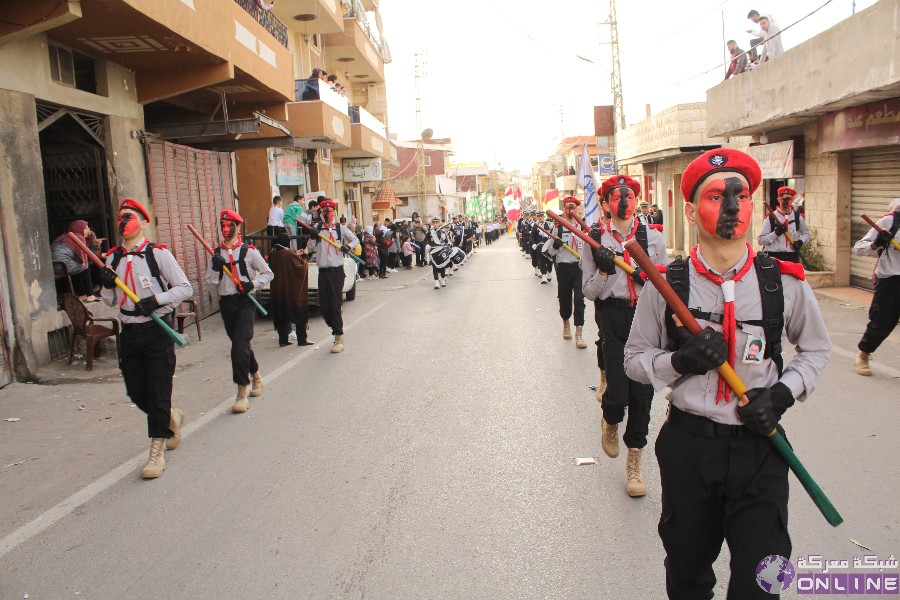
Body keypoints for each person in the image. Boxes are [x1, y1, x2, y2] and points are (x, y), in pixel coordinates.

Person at [624, 148, 831, 598]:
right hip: (690, 448)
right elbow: (634, 360)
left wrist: (781, 395)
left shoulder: (785, 282)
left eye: (742, 196)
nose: (733, 207)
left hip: (762, 447)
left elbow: (815, 350)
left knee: (763, 582)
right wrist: (678, 362)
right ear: (692, 210)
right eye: (718, 196)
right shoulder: (666, 286)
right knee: (688, 575)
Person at [583, 175, 668, 497]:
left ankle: (635, 465)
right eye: (617, 197)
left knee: (643, 397)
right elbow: (590, 292)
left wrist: (652, 276)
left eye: (630, 196)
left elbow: (666, 286)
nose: (624, 202)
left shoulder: (653, 237)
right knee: (618, 390)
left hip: (645, 319)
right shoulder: (593, 239)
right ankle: (610, 419)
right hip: (613, 317)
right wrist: (604, 269)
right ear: (605, 204)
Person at [97, 198, 193, 479]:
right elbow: (111, 300)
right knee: (137, 392)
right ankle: (170, 416)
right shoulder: (111, 258)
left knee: (158, 390)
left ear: (143, 222)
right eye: (120, 217)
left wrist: (156, 301)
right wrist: (104, 284)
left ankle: (156, 453)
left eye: (128, 216)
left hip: (157, 330)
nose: (122, 221)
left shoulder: (158, 255)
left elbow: (185, 288)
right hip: (129, 332)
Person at [207, 209, 274, 413]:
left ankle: (241, 392)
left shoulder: (249, 252)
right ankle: (256, 375)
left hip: (246, 302)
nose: (226, 229)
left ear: (238, 228)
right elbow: (210, 283)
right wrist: (216, 269)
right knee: (241, 345)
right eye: (223, 226)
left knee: (239, 346)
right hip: (227, 304)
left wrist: (251, 284)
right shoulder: (216, 254)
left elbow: (268, 274)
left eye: (230, 226)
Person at [852, 198, 900, 376]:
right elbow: (858, 248)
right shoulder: (889, 222)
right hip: (891, 279)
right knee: (882, 322)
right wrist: (877, 243)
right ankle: (863, 353)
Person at [306, 199, 359, 353]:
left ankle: (338, 336)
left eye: (329, 211)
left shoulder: (339, 228)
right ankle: (334, 326)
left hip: (336, 272)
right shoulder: (317, 228)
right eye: (324, 211)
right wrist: (312, 236)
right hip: (323, 272)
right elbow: (309, 248)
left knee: (335, 305)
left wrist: (347, 246)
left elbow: (355, 239)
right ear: (321, 213)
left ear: (334, 212)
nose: (327, 214)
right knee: (323, 305)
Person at [548, 197, 588, 349]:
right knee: (565, 299)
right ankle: (566, 323)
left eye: (573, 208)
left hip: (580, 267)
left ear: (577, 209)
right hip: (564, 267)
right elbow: (550, 251)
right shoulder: (557, 228)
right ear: (564, 210)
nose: (570, 211)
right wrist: (557, 246)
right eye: (567, 208)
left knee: (579, 300)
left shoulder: (583, 227)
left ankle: (579, 333)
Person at [268, 232, 313, 348]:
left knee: (281, 314)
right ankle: (302, 339)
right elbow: (301, 266)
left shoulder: (273, 254)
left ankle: (283, 340)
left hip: (278, 290)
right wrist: (305, 256)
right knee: (299, 311)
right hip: (291, 290)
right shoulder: (287, 254)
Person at [757, 186, 809, 263]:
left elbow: (805, 232)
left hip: (792, 256)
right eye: (784, 199)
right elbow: (761, 241)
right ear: (778, 200)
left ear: (793, 200)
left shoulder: (797, 217)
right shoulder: (770, 218)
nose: (786, 202)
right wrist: (776, 233)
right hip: (774, 257)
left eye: (789, 199)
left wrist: (800, 242)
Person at [51, 220, 98, 303]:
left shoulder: (65, 236)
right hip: (63, 265)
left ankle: (82, 294)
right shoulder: (78, 237)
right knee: (84, 266)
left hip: (54, 265)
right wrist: (94, 242)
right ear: (79, 229)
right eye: (86, 228)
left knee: (78, 265)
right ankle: (90, 295)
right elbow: (85, 257)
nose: (89, 230)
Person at [427, 216, 452, 289]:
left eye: (437, 223)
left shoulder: (442, 231)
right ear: (432, 223)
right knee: (435, 267)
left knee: (442, 266)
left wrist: (444, 238)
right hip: (433, 251)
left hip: (441, 250)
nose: (435, 224)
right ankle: (436, 281)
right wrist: (427, 246)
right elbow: (426, 240)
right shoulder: (430, 232)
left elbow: (447, 242)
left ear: (439, 223)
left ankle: (442, 279)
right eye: (434, 223)